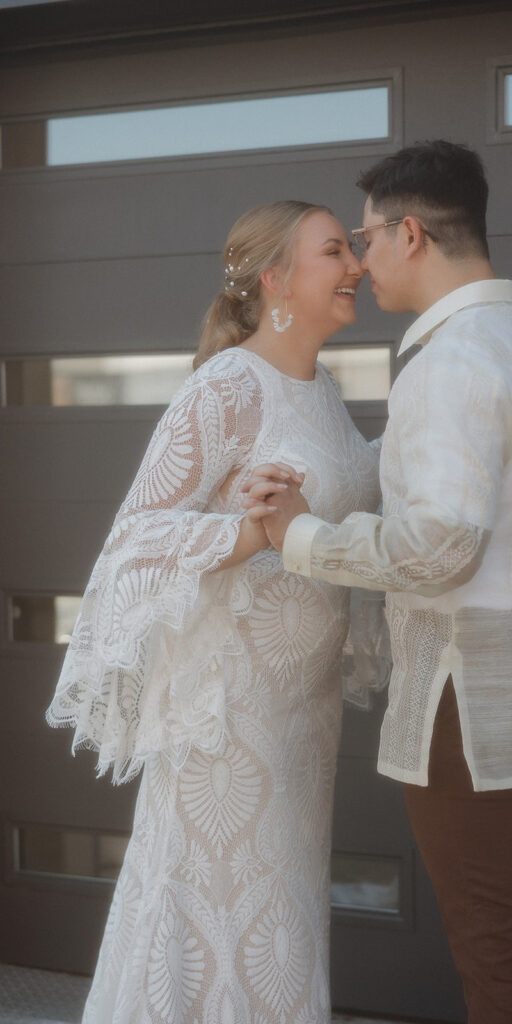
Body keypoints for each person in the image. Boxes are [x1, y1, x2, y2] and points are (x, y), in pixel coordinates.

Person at [244, 142, 512, 1024]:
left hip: (472, 705)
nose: (360, 261)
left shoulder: (448, 363)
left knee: (497, 953)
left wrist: (298, 535)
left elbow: (440, 545)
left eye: (367, 239)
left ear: (409, 233)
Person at [46, 200, 381, 1024]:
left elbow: (334, 501)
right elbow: (135, 538)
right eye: (334, 251)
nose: (356, 267)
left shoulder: (321, 387)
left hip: (299, 724)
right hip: (225, 723)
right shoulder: (228, 384)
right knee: (212, 915)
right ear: (276, 280)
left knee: (279, 918)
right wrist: (247, 530)